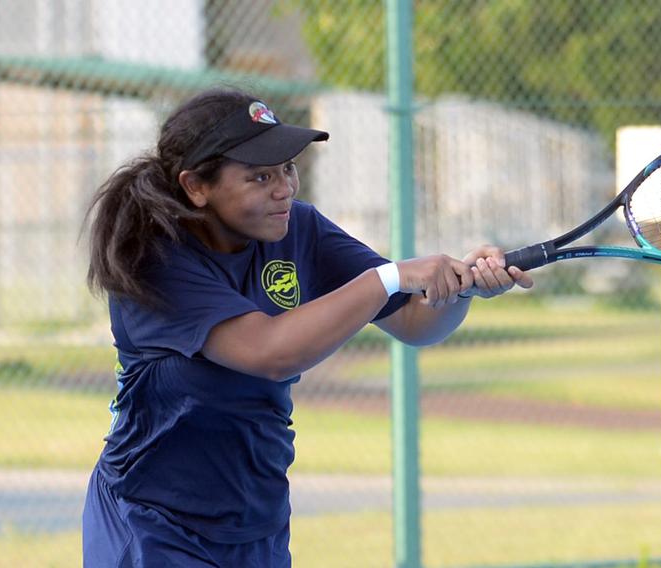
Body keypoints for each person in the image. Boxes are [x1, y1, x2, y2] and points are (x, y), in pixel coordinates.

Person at [80, 87, 533, 567]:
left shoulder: (300, 228)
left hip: (257, 523)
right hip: (153, 523)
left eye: (288, 169)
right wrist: (392, 275)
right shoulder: (153, 257)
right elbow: (269, 353)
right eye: (259, 176)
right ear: (196, 186)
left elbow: (415, 321)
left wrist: (460, 291)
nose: (284, 189)